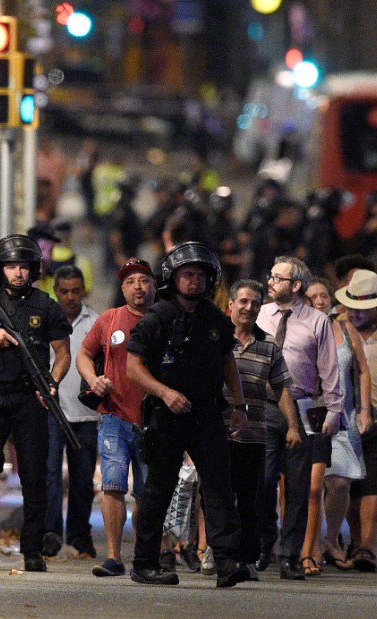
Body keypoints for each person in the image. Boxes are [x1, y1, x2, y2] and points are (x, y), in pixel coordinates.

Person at [124, 242, 250, 587]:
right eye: (187, 274)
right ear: (173, 277)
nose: (195, 281)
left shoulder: (214, 319)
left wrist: (238, 407)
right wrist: (164, 393)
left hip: (207, 413)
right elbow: (132, 367)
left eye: (201, 275)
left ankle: (225, 560)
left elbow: (228, 362)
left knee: (220, 487)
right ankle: (145, 562)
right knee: (158, 490)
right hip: (166, 416)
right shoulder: (157, 318)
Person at [0, 234, 72, 572]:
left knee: (34, 477)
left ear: (33, 270)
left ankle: (32, 549)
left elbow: (62, 354)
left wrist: (53, 382)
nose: (18, 273)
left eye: (23, 267)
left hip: (30, 399)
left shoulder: (46, 305)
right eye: (11, 266)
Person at [255, 256, 343, 581]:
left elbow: (329, 370)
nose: (271, 283)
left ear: (295, 286)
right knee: (262, 482)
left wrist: (334, 411)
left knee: (297, 487)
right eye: (271, 276)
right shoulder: (262, 314)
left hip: (303, 407)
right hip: (265, 407)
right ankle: (265, 541)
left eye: (278, 278)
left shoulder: (318, 322)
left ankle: (290, 555)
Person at [77, 258, 156, 578]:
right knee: (112, 485)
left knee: (148, 491)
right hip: (113, 416)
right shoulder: (109, 320)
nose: (138, 286)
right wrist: (93, 379)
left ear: (153, 285)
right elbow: (84, 354)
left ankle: (145, 555)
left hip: (153, 419)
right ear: (122, 288)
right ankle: (113, 557)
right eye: (131, 281)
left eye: (144, 280)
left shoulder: (164, 319)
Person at [223, 279, 301, 581]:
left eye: (255, 303)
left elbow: (282, 387)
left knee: (252, 498)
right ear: (231, 305)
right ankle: (214, 552)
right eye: (243, 301)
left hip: (255, 433)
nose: (249, 308)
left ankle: (246, 558)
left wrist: (292, 426)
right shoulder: (217, 339)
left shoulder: (269, 345)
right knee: (217, 495)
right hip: (217, 431)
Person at [304, 277, 370, 573]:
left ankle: (331, 540)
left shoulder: (346, 328)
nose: (320, 301)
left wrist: (365, 410)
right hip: (311, 417)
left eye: (323, 296)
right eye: (313, 297)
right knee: (313, 487)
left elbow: (363, 371)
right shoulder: (299, 329)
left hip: (344, 417)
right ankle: (311, 545)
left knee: (340, 482)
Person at [336, 270, 377, 573]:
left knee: (375, 482)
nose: (357, 314)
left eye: (363, 308)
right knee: (349, 484)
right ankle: (354, 541)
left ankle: (366, 548)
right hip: (345, 415)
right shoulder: (337, 326)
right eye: (352, 307)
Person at [41, 266, 99, 559]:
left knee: (82, 477)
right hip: (51, 410)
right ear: (55, 291)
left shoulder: (96, 323)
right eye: (64, 291)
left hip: (86, 414)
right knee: (49, 474)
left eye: (75, 291)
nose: (70, 297)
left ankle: (79, 533)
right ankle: (50, 532)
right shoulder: (45, 321)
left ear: (83, 290)